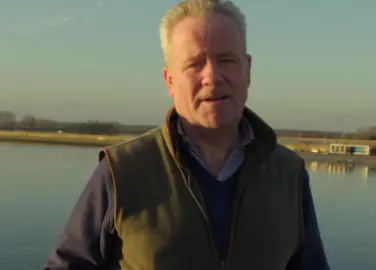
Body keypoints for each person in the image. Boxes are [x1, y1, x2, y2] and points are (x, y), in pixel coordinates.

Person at [43, 0, 330, 269]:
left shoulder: (289, 173)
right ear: (170, 80)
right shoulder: (121, 171)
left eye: (226, 60)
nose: (212, 77)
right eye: (195, 64)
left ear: (248, 70)